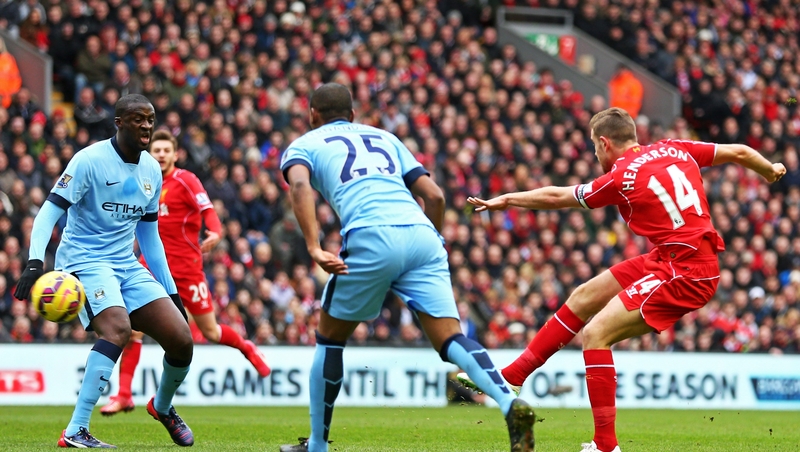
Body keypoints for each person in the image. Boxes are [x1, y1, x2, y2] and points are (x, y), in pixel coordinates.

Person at [461, 107, 786, 452]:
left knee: (596, 333)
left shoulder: (622, 176)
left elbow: (560, 196)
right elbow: (737, 151)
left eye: (594, 147)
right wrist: (769, 169)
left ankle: (605, 446)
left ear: (605, 143)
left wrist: (509, 199)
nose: (595, 154)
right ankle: (513, 376)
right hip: (670, 257)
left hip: (685, 271)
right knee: (585, 296)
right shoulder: (675, 147)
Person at [277, 83, 535, 452]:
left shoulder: (304, 144)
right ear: (353, 115)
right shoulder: (386, 137)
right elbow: (435, 196)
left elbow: (299, 185)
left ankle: (317, 444)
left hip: (370, 232)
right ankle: (510, 403)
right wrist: (434, 241)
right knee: (450, 338)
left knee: (330, 338)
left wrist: (314, 246)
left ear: (312, 115)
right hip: (421, 233)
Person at [13, 94, 195, 448]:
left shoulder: (152, 171)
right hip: (83, 261)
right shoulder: (89, 161)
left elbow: (150, 236)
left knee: (182, 340)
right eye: (138, 119)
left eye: (150, 119)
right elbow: (49, 212)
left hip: (125, 264)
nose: (146, 125)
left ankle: (162, 406)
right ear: (119, 123)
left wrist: (171, 291)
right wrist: (36, 261)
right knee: (117, 330)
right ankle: (75, 430)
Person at [100, 129, 270, 416]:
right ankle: (124, 394)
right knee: (133, 332)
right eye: (157, 150)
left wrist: (215, 231)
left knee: (211, 331)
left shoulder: (186, 180)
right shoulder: (140, 183)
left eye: (167, 150)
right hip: (150, 270)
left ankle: (247, 348)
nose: (162, 155)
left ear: (175, 154)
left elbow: (208, 209)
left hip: (188, 272)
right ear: (149, 154)